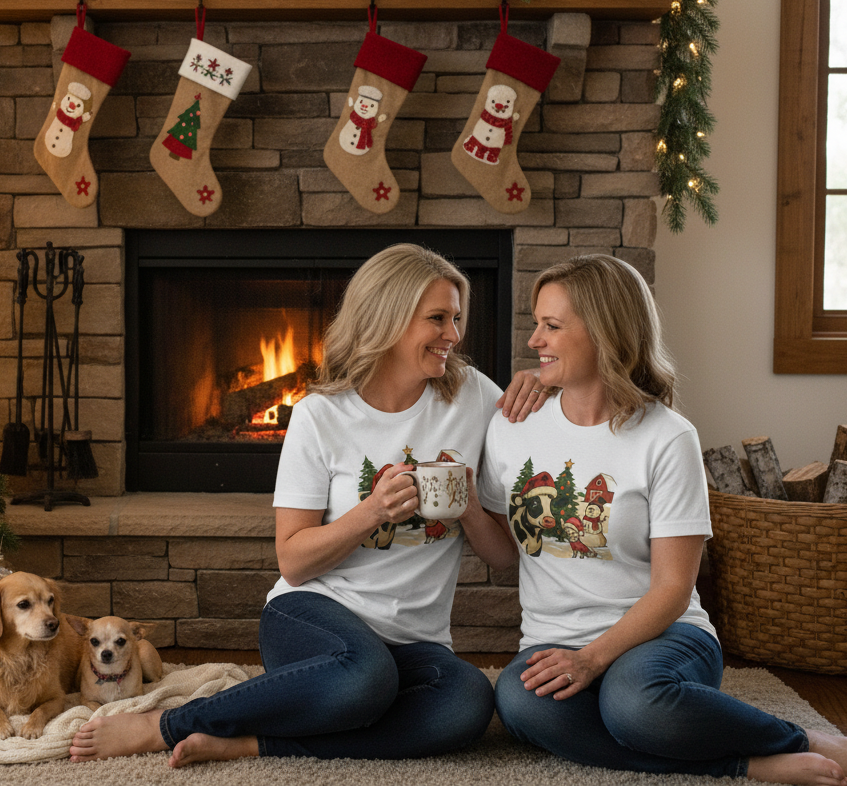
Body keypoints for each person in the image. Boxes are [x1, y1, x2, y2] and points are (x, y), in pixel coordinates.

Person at [69, 243, 544, 767]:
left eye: (457, 318)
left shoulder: (474, 397)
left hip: (416, 640)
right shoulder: (320, 414)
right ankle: (165, 725)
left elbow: (503, 557)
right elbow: (292, 560)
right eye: (437, 319)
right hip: (312, 615)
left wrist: (472, 504)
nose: (453, 335)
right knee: (366, 678)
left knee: (467, 704)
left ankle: (254, 743)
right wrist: (372, 512)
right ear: (387, 319)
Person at [476, 254, 847, 786]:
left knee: (634, 707)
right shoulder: (512, 427)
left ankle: (803, 739)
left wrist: (591, 660)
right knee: (523, 708)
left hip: (663, 635)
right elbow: (505, 556)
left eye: (552, 326)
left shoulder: (667, 435)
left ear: (605, 332)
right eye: (536, 324)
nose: (533, 341)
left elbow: (673, 589)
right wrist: (463, 505)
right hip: (552, 642)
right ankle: (745, 762)